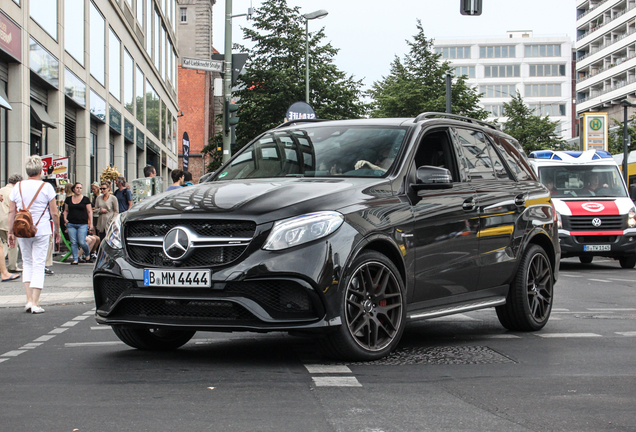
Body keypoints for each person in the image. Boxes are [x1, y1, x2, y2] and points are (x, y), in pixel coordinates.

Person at [8, 155, 60, 314]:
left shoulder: (17, 187)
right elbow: (54, 213)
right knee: (38, 264)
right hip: (42, 229)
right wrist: (56, 231)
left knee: (27, 263)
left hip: (22, 229)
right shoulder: (47, 187)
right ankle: (36, 303)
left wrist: (11, 231)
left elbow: (12, 211)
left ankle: (29, 300)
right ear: (41, 170)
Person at [63, 182, 93, 265]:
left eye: (80, 188)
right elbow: (65, 210)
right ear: (73, 189)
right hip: (71, 223)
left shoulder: (85, 199)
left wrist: (91, 223)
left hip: (82, 223)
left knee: (82, 242)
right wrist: (65, 218)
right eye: (77, 188)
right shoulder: (68, 199)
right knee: (73, 242)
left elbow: (89, 211)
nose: (79, 189)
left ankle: (87, 253)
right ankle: (75, 259)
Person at [0, 174, 23, 273]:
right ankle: (12, 266)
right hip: (9, 221)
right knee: (12, 244)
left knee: (3, 243)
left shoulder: (1, 190)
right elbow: (15, 208)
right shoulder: (14, 192)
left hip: (0, 220)